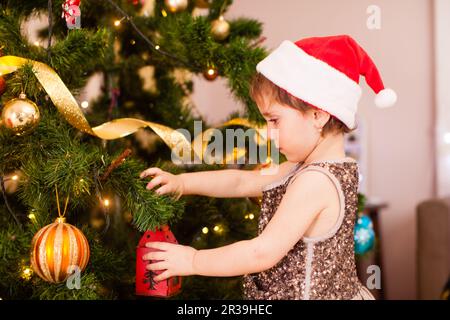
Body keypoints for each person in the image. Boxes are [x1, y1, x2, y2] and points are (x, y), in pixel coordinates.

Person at [139, 35, 397, 300]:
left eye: (275, 120)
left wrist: (193, 261)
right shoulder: (312, 167)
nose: (269, 133)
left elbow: (261, 252)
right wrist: (183, 183)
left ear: (318, 115)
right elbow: (241, 182)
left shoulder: (316, 181)